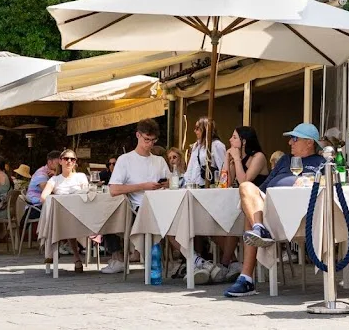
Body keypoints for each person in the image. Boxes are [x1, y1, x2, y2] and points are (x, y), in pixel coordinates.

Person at [223, 123, 324, 297]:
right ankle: (259, 229)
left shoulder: (321, 163)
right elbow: (263, 186)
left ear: (309, 142)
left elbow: (327, 187)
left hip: (303, 215)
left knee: (252, 218)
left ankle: (247, 278)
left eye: (294, 139)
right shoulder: (284, 160)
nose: (290, 143)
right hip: (271, 211)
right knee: (247, 187)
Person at [100, 119, 170, 274]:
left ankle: (191, 261)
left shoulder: (159, 160)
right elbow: (114, 189)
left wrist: (167, 184)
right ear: (138, 135)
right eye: (147, 140)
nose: (150, 144)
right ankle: (192, 261)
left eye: (153, 141)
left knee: (183, 218)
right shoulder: (125, 160)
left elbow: (171, 183)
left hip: (164, 205)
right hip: (140, 209)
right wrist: (143, 186)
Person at [213, 126, 268, 281]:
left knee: (233, 219)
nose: (230, 140)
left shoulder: (258, 157)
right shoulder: (236, 159)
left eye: (234, 137)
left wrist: (236, 159)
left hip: (257, 206)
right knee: (216, 220)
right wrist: (227, 159)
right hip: (240, 204)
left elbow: (244, 181)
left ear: (244, 141)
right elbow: (224, 183)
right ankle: (232, 262)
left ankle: (226, 263)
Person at [41, 149, 90, 272]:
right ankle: (76, 257)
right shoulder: (54, 180)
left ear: (75, 162)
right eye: (66, 159)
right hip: (62, 217)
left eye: (72, 159)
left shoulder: (81, 177)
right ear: (60, 161)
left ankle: (77, 256)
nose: (69, 161)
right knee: (65, 221)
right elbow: (43, 197)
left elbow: (87, 194)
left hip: (82, 214)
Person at [183, 117, 226, 188]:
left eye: (197, 129)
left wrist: (221, 187)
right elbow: (190, 167)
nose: (194, 131)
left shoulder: (217, 145)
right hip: (193, 186)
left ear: (205, 130)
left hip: (208, 186)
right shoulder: (196, 146)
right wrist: (186, 183)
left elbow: (222, 168)